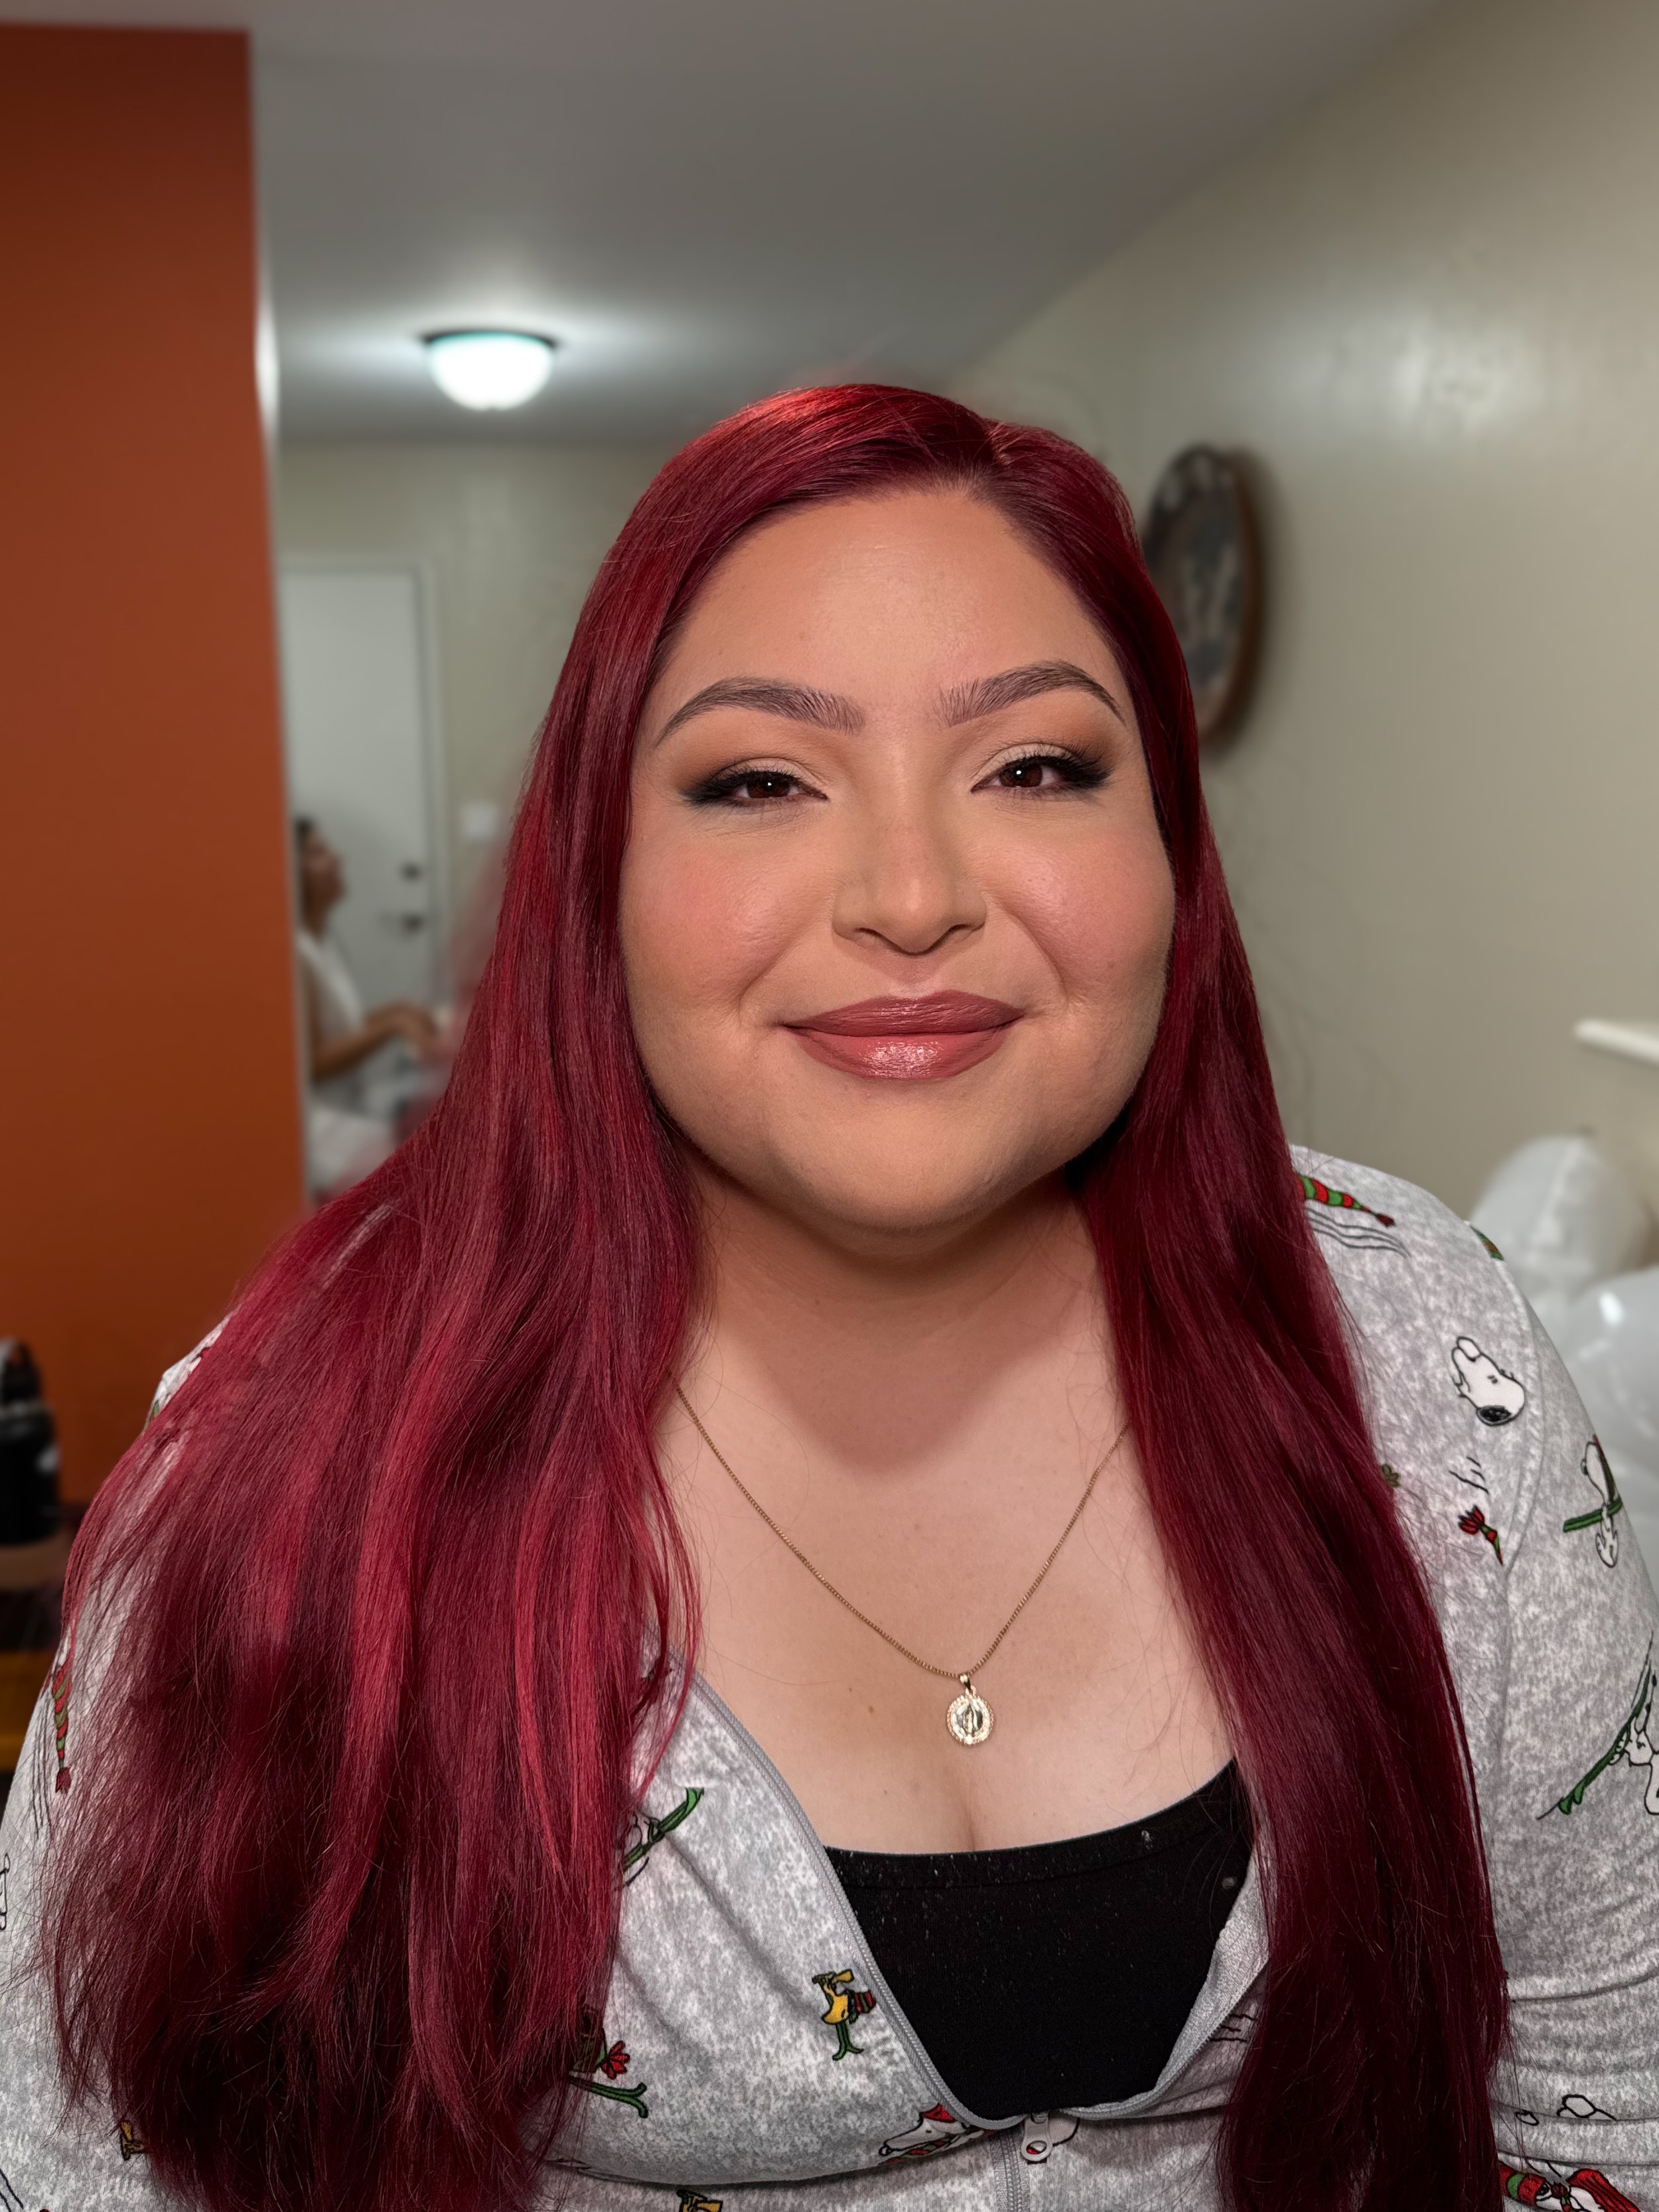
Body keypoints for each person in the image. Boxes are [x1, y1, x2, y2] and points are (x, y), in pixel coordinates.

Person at [2, 388, 1655, 2212]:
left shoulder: (1430, 1353)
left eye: (1032, 766)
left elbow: (1604, 2115)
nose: (909, 895)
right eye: (758, 780)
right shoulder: (288, 1453)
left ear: (1170, 856)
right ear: (596, 881)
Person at [293, 818, 440, 1193]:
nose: (337, 859)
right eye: (318, 853)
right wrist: (392, 1026)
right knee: (425, 1164)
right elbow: (315, 1062)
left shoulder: (321, 941)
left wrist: (398, 1011)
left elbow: (344, 1027)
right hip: (319, 1126)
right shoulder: (296, 954)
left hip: (352, 1102)